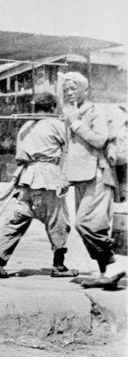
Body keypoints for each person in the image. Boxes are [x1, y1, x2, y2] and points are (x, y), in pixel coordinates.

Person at [0, 93, 76, 278]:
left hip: (26, 179)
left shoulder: (25, 127)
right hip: (48, 178)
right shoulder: (57, 125)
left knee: (16, 221)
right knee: (58, 222)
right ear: (52, 107)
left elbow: (20, 157)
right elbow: (70, 148)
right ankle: (59, 266)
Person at [61, 72, 126, 289]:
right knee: (93, 225)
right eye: (66, 89)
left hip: (97, 173)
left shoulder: (94, 110)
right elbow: (69, 149)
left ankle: (113, 265)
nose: (69, 92)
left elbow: (99, 139)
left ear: (85, 90)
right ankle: (107, 273)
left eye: (73, 88)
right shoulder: (71, 113)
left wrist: (76, 124)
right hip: (79, 176)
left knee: (85, 223)